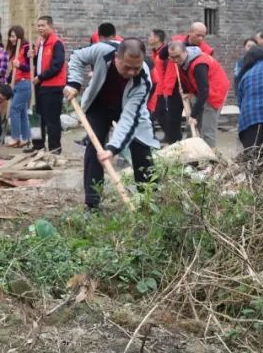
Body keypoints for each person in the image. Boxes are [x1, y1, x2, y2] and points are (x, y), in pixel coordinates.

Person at [65, 38, 156, 211]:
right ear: (117, 57)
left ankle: (148, 200)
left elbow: (129, 119)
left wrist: (113, 148)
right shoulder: (102, 50)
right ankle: (92, 205)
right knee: (94, 148)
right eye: (126, 66)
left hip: (128, 107)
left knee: (142, 148)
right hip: (99, 105)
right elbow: (76, 57)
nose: (131, 72)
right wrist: (74, 83)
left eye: (136, 68)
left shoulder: (143, 80)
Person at [158, 22, 213, 144]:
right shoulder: (176, 42)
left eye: (203, 36)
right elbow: (162, 56)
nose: (201, 39)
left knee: (194, 118)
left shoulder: (206, 50)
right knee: (173, 118)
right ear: (190, 32)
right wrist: (169, 47)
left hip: (193, 88)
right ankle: (174, 145)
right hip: (175, 84)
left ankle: (194, 144)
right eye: (198, 35)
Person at [169, 40, 229, 148]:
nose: (175, 60)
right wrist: (189, 93)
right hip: (201, 92)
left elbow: (204, 91)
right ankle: (191, 156)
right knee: (192, 126)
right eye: (172, 57)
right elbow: (190, 80)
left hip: (214, 93)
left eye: (178, 56)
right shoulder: (181, 62)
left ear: (185, 51)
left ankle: (210, 160)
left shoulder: (200, 64)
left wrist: (193, 114)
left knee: (207, 129)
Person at [31, 16, 66, 153]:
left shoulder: (56, 43)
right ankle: (37, 145)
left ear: (51, 26)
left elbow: (56, 65)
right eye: (38, 25)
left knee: (52, 119)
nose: (40, 28)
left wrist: (41, 77)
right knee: (36, 117)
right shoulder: (40, 42)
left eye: (43, 25)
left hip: (52, 86)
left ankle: (54, 148)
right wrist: (32, 56)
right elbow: (38, 63)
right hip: (39, 85)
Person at [6, 25, 31, 148]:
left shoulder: (26, 48)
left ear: (19, 36)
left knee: (14, 109)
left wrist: (19, 64)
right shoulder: (15, 50)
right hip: (16, 83)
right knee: (22, 113)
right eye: (10, 36)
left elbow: (30, 68)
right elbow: (12, 71)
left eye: (13, 36)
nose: (11, 39)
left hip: (24, 83)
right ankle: (25, 138)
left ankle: (15, 137)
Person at [146, 29, 169, 136]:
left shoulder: (165, 54)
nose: (148, 38)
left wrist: (166, 90)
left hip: (161, 90)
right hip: (156, 88)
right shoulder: (155, 53)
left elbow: (168, 73)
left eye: (150, 36)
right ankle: (171, 137)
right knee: (161, 116)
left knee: (153, 116)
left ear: (156, 38)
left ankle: (152, 140)